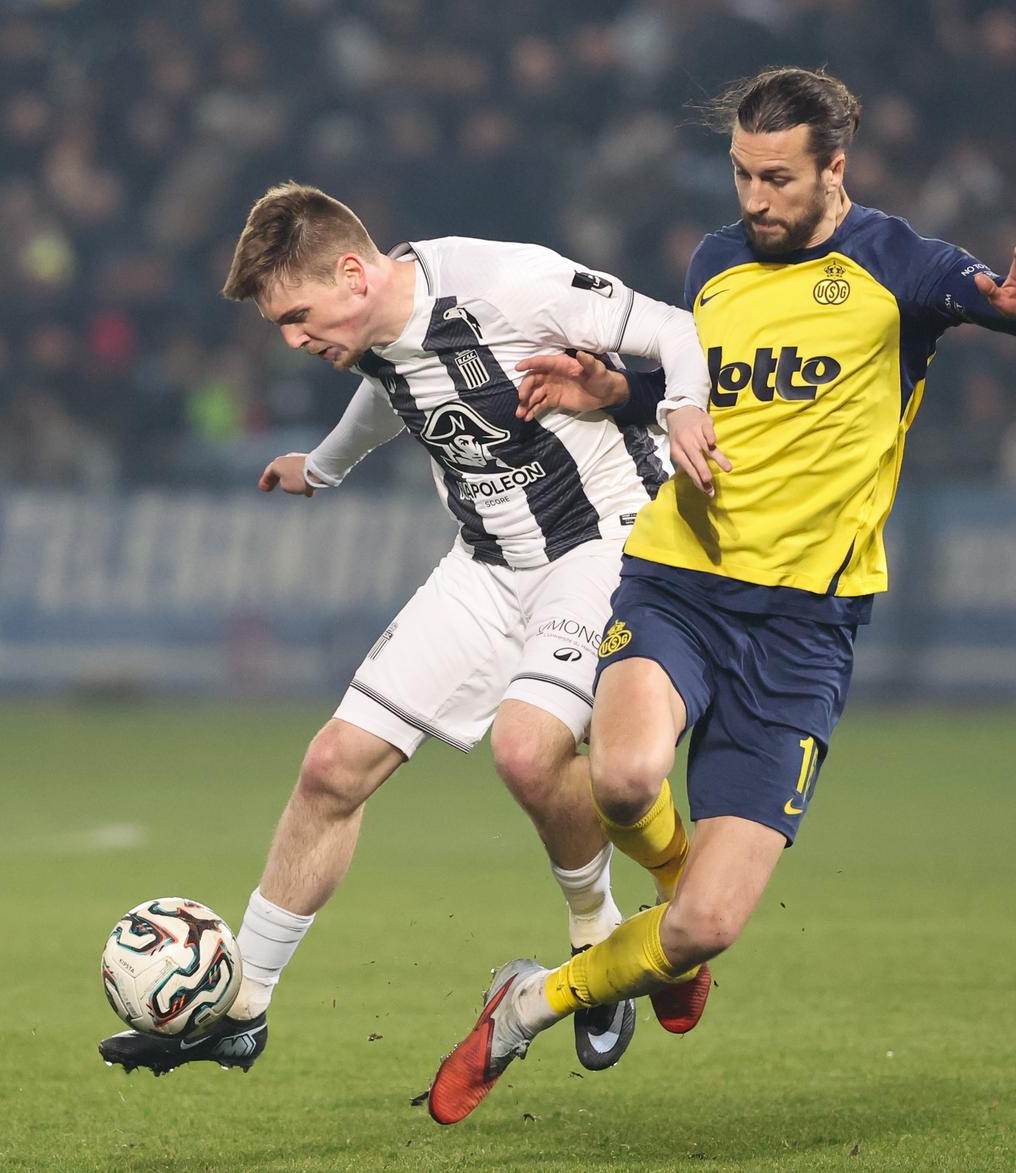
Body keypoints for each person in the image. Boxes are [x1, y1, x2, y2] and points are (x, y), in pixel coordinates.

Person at [426, 66, 1016, 1125]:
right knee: (625, 777)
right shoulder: (716, 262)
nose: (753, 199)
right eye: (741, 174)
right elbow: (693, 382)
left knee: (704, 930)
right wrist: (615, 388)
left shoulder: (899, 265)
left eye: (776, 178)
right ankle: (657, 897)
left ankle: (530, 1004)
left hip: (806, 630)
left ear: (835, 169)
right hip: (681, 582)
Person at [99, 181, 710, 1076]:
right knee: (332, 767)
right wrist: (324, 467)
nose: (293, 340)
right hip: (485, 562)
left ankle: (595, 936)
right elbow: (393, 388)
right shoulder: (375, 332)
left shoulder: (506, 285)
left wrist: (682, 404)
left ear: (353, 274)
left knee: (526, 750)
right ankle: (243, 1006)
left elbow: (677, 329)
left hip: (601, 543)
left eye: (297, 317)